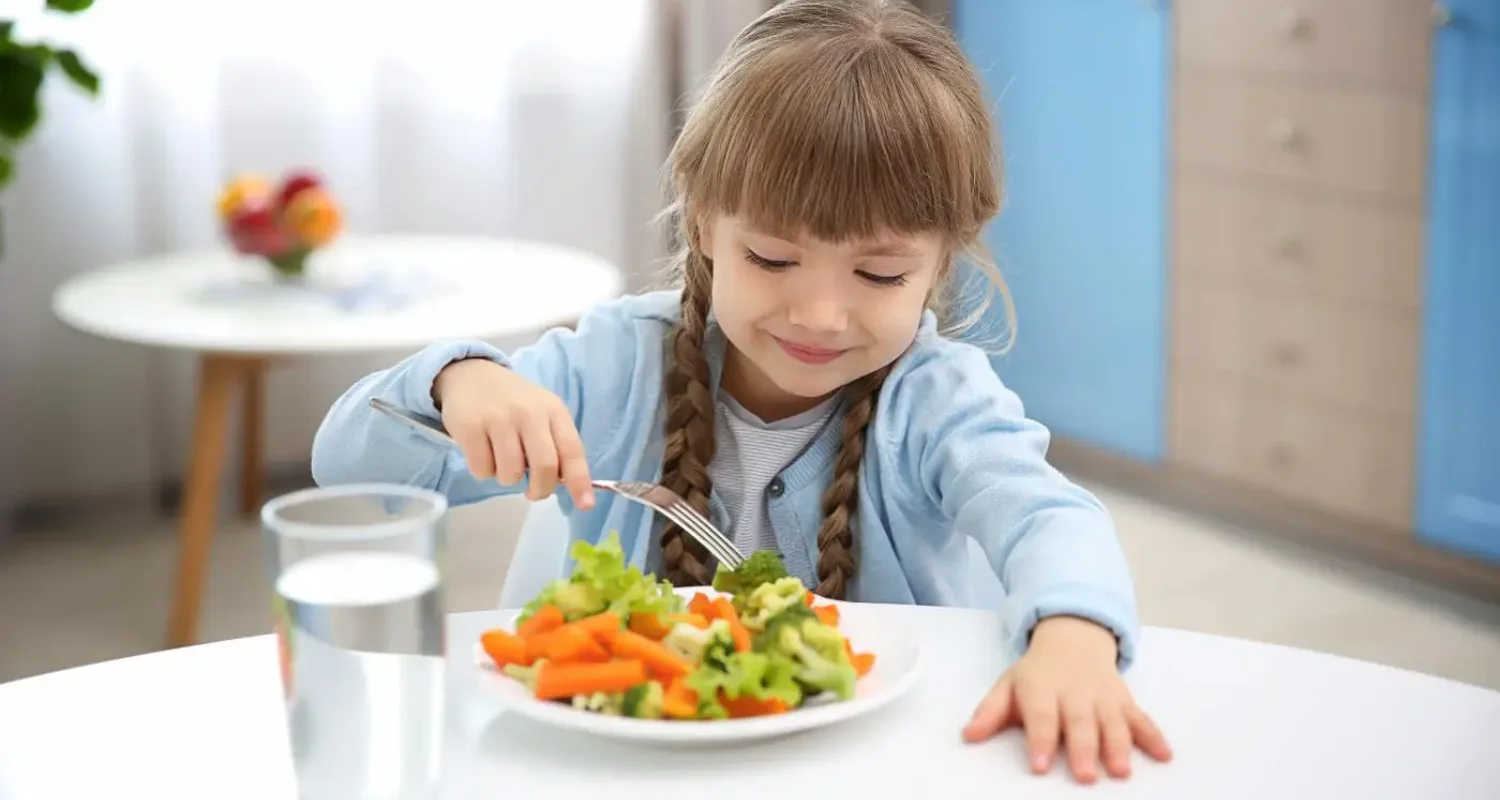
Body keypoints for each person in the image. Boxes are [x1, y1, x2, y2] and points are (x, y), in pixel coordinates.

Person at [312, 0, 1171, 783]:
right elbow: (350, 472)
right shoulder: (615, 366)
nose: (822, 314)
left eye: (878, 273)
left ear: (940, 263)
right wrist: (456, 381)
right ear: (702, 226)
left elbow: (1047, 517)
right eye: (772, 259)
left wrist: (1074, 638)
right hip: (617, 767)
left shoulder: (937, 400)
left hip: (880, 768)